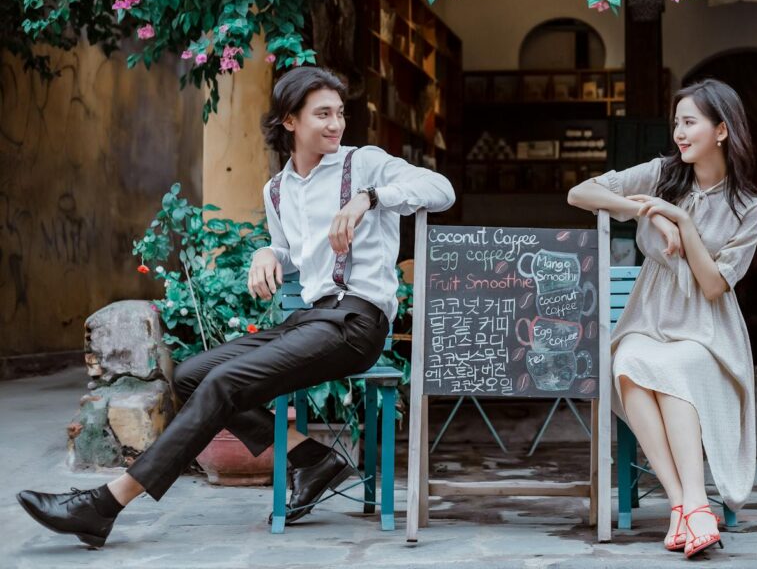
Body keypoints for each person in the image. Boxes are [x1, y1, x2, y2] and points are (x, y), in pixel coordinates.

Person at [17, 66, 455, 547]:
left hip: (356, 324)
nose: (336, 124)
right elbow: (291, 252)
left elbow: (441, 191)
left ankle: (106, 504)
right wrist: (267, 253)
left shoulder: (364, 164)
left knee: (224, 382)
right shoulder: (278, 190)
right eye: (322, 114)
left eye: (340, 113)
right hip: (310, 319)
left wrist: (369, 199)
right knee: (189, 376)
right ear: (290, 121)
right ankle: (312, 458)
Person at [567, 78, 757, 559]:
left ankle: (692, 504)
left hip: (707, 328)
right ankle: (688, 505)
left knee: (677, 368)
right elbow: (581, 192)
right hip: (649, 316)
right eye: (676, 122)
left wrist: (681, 222)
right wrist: (647, 210)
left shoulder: (750, 209)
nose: (679, 132)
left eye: (690, 122)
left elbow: (715, 284)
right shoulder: (662, 173)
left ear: (721, 130)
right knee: (629, 363)